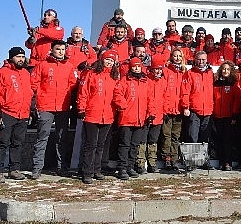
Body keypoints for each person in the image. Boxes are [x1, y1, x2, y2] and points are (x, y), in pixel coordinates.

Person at [30, 40, 79, 179]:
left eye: (63, 49)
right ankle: (37, 168)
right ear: (52, 50)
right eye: (58, 49)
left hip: (63, 107)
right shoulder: (42, 65)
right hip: (46, 105)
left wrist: (65, 93)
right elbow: (34, 83)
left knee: (62, 138)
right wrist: (40, 96)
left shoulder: (69, 66)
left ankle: (61, 167)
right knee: (42, 136)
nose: (61, 52)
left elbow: (73, 83)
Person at [0, 47, 34, 183]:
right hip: (6, 113)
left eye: (22, 56)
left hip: (23, 114)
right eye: (18, 56)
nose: (21, 59)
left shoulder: (26, 73)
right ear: (11, 57)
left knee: (18, 143)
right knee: (2, 143)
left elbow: (29, 94)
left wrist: (29, 111)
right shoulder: (1, 73)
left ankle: (14, 169)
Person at [76, 50, 120, 184]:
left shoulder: (115, 76)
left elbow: (118, 94)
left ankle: (97, 169)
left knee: (101, 145)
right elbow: (83, 92)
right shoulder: (91, 73)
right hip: (92, 114)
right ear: (102, 60)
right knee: (91, 145)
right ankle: (87, 172)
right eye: (107, 60)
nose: (109, 63)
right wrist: (81, 109)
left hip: (108, 115)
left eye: (112, 61)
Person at [114, 57, 155, 180]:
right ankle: (122, 168)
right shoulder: (124, 80)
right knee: (124, 144)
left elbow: (150, 99)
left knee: (134, 145)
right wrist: (124, 105)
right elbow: (117, 93)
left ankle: (130, 166)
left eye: (138, 66)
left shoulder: (145, 82)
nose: (136, 68)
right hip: (127, 118)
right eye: (134, 66)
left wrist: (151, 113)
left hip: (140, 118)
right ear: (130, 67)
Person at [136, 58, 166, 174]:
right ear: (151, 69)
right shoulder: (146, 80)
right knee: (142, 140)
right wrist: (149, 113)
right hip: (146, 116)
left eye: (159, 69)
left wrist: (165, 111)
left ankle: (152, 163)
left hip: (158, 116)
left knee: (153, 140)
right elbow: (145, 98)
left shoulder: (163, 81)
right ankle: (140, 163)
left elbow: (165, 97)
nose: (158, 72)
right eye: (156, 69)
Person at [182, 51, 215, 153]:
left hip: (208, 110)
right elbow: (185, 91)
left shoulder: (211, 73)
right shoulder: (190, 73)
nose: (201, 61)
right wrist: (186, 107)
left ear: (206, 60)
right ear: (195, 60)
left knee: (205, 137)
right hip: (194, 110)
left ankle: (204, 160)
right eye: (199, 59)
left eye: (203, 59)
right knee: (193, 136)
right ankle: (193, 160)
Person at [160, 48, 187, 171]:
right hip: (168, 108)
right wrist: (164, 108)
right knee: (166, 135)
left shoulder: (184, 72)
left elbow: (185, 91)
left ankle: (174, 158)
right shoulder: (166, 71)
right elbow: (163, 91)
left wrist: (184, 106)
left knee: (175, 135)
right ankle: (166, 158)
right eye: (175, 56)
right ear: (171, 57)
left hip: (178, 109)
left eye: (179, 56)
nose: (177, 58)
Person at [213, 61, 241, 171]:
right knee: (218, 140)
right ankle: (221, 162)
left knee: (227, 141)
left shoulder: (233, 83)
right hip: (217, 116)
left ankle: (228, 162)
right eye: (223, 69)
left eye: (228, 69)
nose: (225, 71)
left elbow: (236, 100)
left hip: (229, 117)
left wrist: (234, 115)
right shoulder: (215, 83)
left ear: (231, 71)